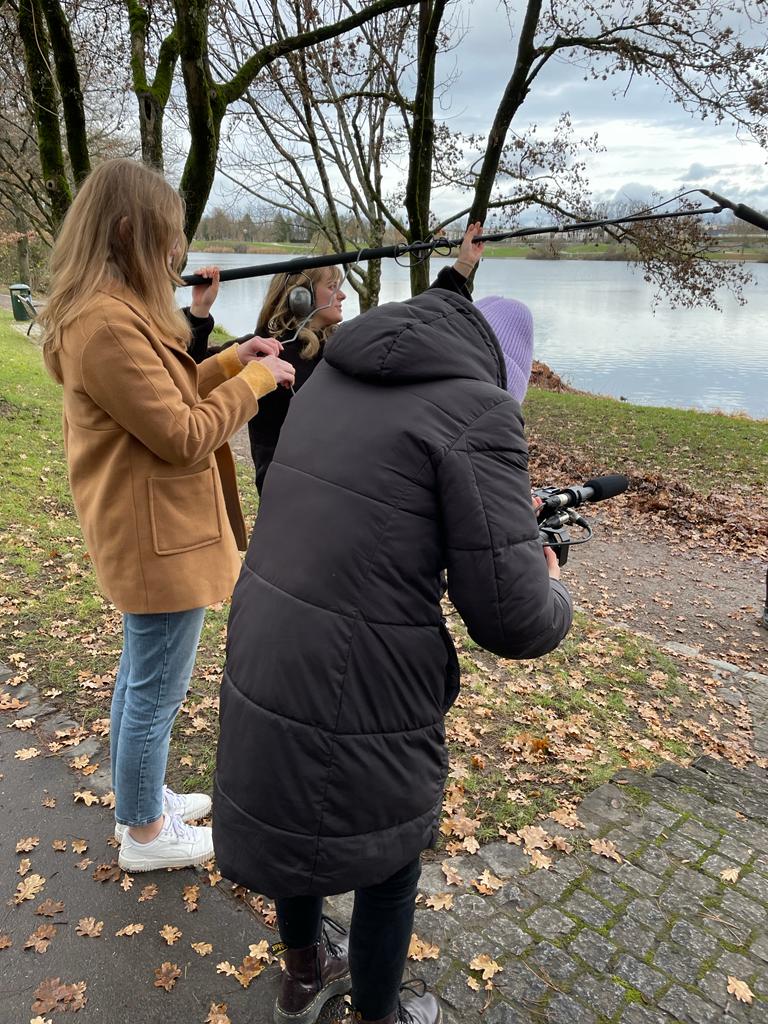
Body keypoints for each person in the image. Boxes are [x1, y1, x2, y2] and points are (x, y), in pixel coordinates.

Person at [212, 223, 573, 1023]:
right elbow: (511, 618)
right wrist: (553, 586)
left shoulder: (334, 372)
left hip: (268, 632)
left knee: (298, 825)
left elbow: (377, 513)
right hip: (362, 667)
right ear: (501, 370)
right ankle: (381, 1014)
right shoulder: (480, 411)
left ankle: (303, 975)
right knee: (387, 859)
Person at [38, 158, 295, 873]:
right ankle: (146, 836)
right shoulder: (106, 324)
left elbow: (169, 395)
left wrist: (229, 359)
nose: (179, 251)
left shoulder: (108, 309)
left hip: (152, 530)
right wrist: (253, 382)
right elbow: (182, 435)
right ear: (129, 232)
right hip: (157, 539)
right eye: (171, 236)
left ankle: (141, 802)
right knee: (155, 688)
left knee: (139, 678)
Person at [190, 265, 347, 494]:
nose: (342, 295)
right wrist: (200, 310)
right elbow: (189, 378)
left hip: (339, 484)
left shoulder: (343, 350)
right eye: (333, 287)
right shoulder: (260, 349)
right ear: (300, 296)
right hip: (284, 490)